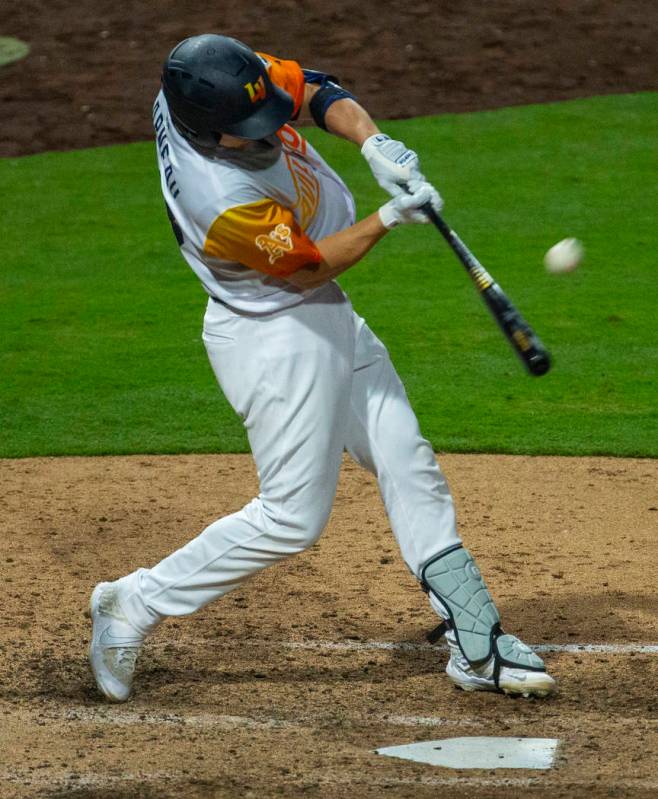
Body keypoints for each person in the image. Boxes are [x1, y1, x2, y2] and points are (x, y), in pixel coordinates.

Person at [88, 34, 556, 703]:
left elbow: (310, 88)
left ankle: (474, 638)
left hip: (319, 313)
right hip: (277, 336)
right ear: (208, 131)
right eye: (247, 129)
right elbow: (308, 265)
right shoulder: (214, 195)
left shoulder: (209, 82)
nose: (270, 129)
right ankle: (132, 601)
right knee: (290, 519)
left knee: (405, 456)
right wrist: (390, 216)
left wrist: (371, 143)